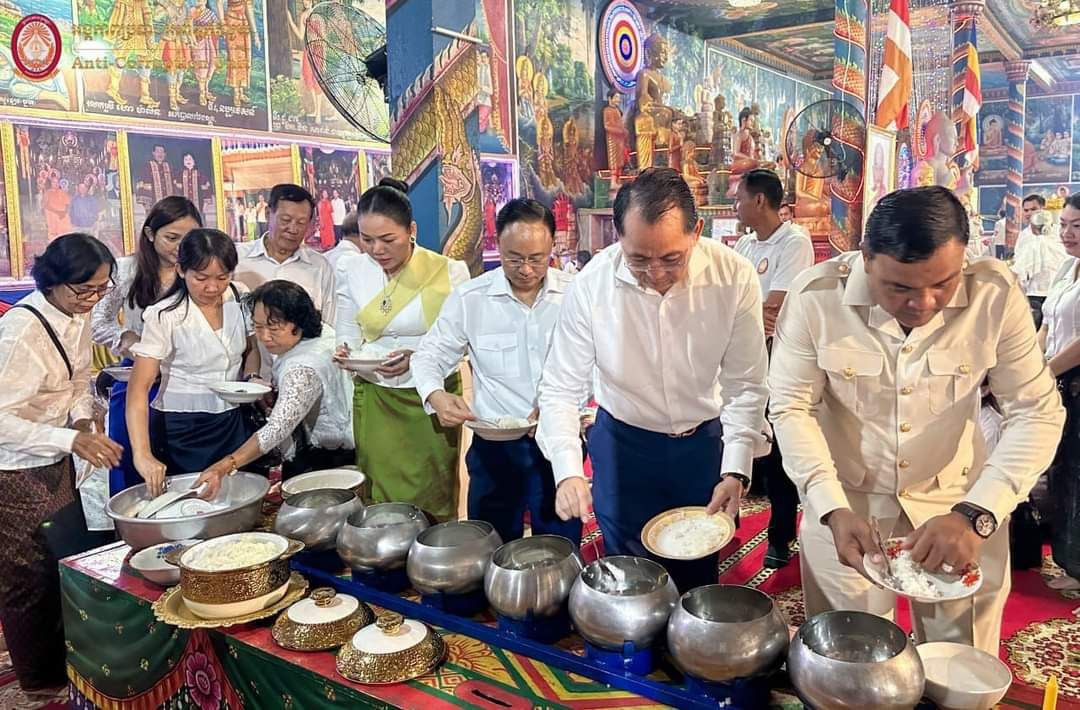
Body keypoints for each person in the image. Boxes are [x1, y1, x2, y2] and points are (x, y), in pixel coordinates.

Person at [768, 186, 1065, 654]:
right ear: (866, 258)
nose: (923, 303)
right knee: (851, 657)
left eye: (943, 284)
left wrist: (978, 513)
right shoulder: (817, 298)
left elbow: (1037, 411)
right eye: (900, 288)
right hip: (848, 504)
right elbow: (791, 407)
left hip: (958, 497)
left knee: (961, 657)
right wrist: (829, 506)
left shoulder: (994, 294)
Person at [537, 168, 769, 591]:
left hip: (702, 446)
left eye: (671, 259)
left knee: (696, 572)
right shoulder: (591, 285)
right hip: (624, 447)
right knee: (627, 578)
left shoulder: (733, 276)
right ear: (619, 237)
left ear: (696, 232)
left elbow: (746, 384)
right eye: (639, 260)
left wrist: (736, 469)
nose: (656, 273)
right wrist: (568, 471)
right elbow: (560, 388)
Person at [413, 199, 580, 544]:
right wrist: (436, 395)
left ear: (553, 246)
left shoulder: (575, 295)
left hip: (558, 444)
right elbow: (428, 355)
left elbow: (595, 362)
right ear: (497, 244)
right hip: (495, 447)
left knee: (560, 546)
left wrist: (570, 403)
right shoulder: (471, 298)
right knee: (490, 544)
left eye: (537, 258)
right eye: (514, 258)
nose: (525, 269)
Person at [0, 233, 122, 696]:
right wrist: (70, 438)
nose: (93, 300)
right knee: (26, 575)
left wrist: (84, 421)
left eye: (102, 289)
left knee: (61, 562)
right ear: (52, 281)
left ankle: (64, 662)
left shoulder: (76, 313)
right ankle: (38, 682)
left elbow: (77, 381)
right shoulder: (21, 331)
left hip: (56, 457)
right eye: (84, 290)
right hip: (14, 468)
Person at [334, 178, 470, 522]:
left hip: (430, 395)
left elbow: (462, 340)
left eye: (387, 239)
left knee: (433, 486)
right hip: (376, 392)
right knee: (380, 486)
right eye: (367, 240)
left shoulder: (448, 272)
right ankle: (383, 542)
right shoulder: (352, 269)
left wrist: (419, 357)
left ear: (412, 230)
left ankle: (433, 543)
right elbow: (347, 327)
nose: (377, 250)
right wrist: (346, 352)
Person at [127, 229, 260, 496]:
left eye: (222, 277)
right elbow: (138, 388)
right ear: (180, 270)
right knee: (192, 500)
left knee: (238, 496)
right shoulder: (164, 315)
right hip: (184, 428)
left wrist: (252, 377)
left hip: (235, 419)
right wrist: (142, 454)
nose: (212, 287)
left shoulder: (239, 296)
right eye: (201, 278)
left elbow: (250, 349)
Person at [196, 281, 353, 495]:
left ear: (298, 323)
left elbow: (276, 430)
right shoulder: (321, 333)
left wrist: (226, 465)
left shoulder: (302, 368)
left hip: (326, 457)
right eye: (258, 326)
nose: (264, 337)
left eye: (274, 328)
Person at [91, 196, 203, 494]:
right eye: (172, 238)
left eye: (188, 239)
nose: (180, 247)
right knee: (132, 463)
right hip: (138, 376)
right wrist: (126, 338)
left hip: (186, 377)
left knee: (183, 467)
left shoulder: (199, 270)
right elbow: (98, 321)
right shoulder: (127, 270)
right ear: (150, 234)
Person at [733, 169, 815, 569]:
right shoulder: (745, 245)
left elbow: (776, 307)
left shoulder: (794, 242)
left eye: (739, 198)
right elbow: (732, 303)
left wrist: (740, 317)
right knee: (735, 435)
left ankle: (780, 536)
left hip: (778, 359)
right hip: (741, 357)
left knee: (780, 449)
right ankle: (727, 518)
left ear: (760, 201)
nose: (735, 205)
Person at [1038, 193, 1080, 591]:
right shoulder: (1067, 267)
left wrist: (1045, 372)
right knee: (1062, 471)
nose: (1067, 233)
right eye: (1064, 225)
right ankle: (1068, 559)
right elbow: (1047, 323)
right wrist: (1029, 367)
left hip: (1073, 376)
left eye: (1077, 226)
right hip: (1056, 378)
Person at [235, 184, 336, 325]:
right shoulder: (237, 258)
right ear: (268, 214)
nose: (293, 229)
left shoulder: (319, 267)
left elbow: (330, 324)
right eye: (286, 220)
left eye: (301, 222)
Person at [1012, 209, 1066, 328]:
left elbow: (1019, 272)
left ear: (1034, 227)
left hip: (1035, 295)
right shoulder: (1062, 244)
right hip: (1059, 295)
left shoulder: (1032, 246)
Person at [136, 144, 175, 209]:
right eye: (157, 152)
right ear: (153, 153)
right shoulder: (147, 166)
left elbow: (175, 185)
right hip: (153, 204)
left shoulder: (170, 167)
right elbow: (141, 185)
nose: (160, 154)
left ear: (165, 154)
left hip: (168, 204)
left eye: (162, 152)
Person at [1013, 193, 1047, 257]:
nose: (1029, 213)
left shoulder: (1057, 231)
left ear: (1043, 209)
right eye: (1026, 210)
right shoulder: (1023, 235)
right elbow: (1018, 256)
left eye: (1033, 209)